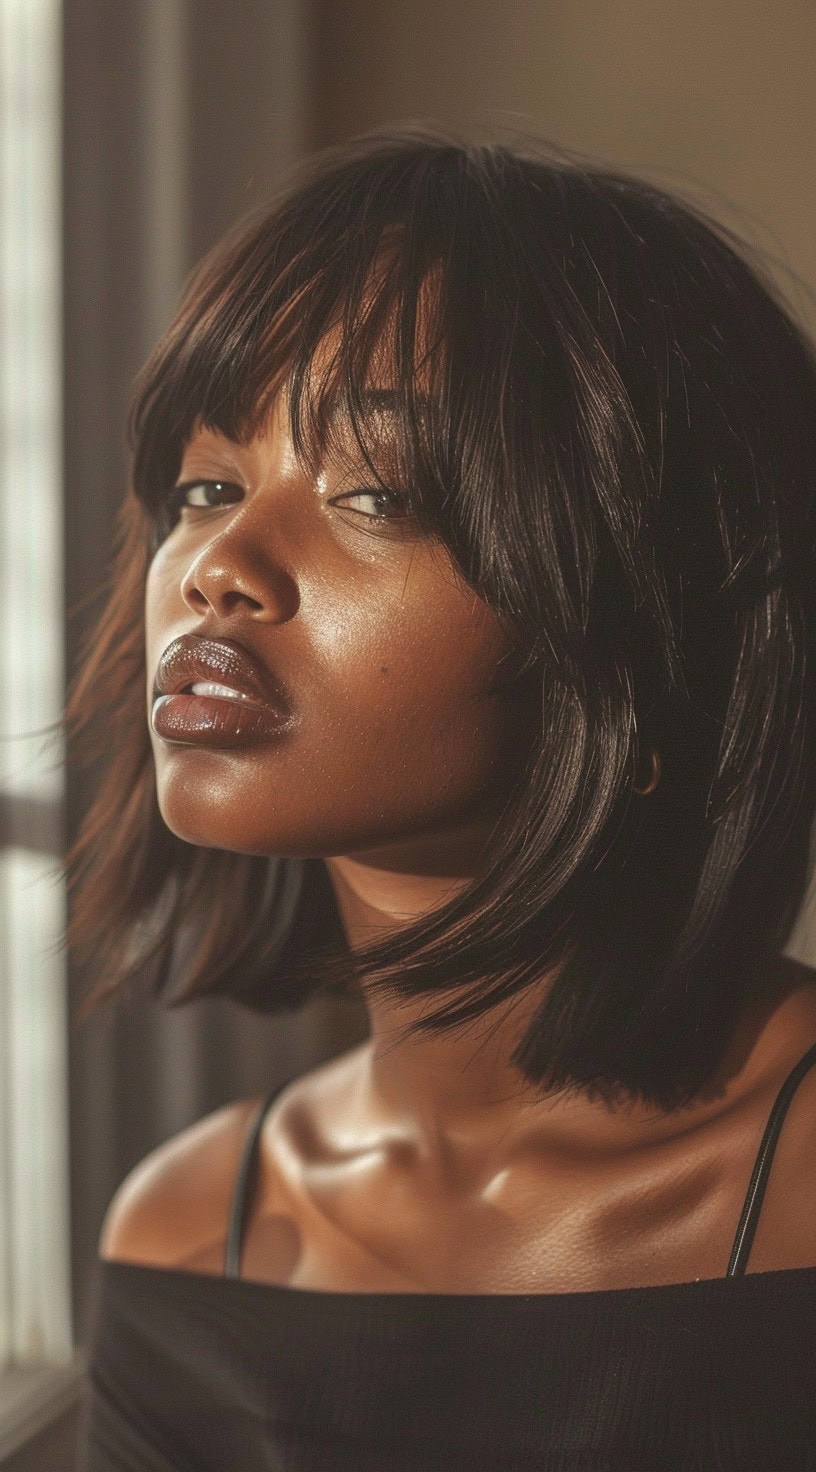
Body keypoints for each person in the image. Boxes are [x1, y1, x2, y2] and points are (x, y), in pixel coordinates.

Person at [70, 128, 816, 1470]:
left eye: (376, 492)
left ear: (652, 623)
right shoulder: (186, 1235)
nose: (220, 563)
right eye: (204, 484)